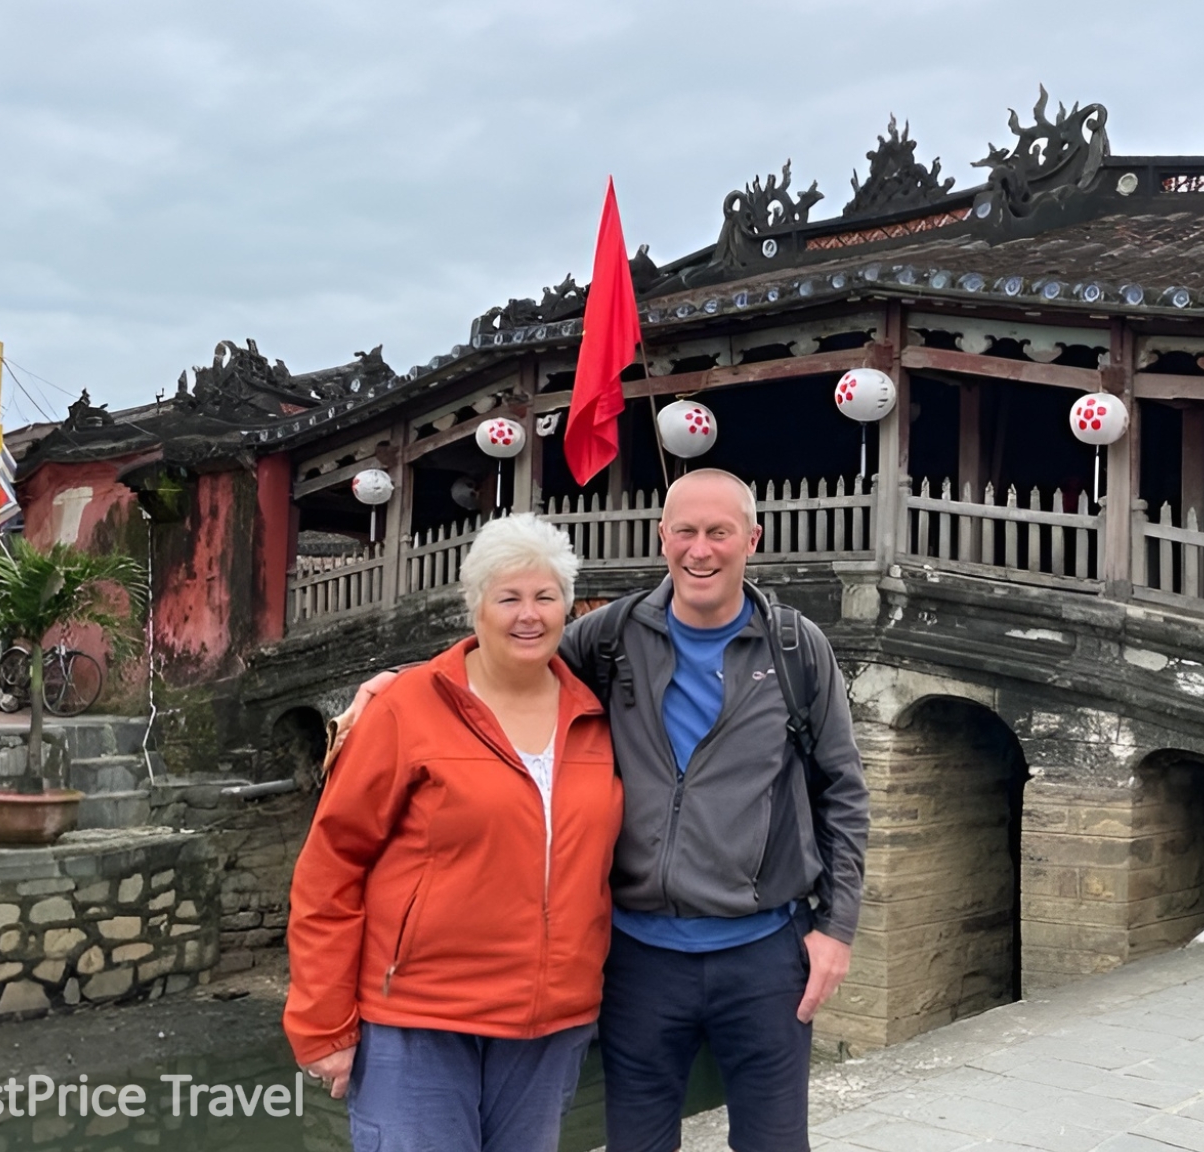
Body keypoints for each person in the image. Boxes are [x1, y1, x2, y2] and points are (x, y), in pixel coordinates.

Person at [333, 468, 870, 1152]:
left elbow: (843, 792)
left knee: (774, 1142)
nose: (699, 550)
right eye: (684, 531)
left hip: (764, 952)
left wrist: (837, 927)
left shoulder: (796, 650)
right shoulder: (613, 638)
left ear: (751, 540)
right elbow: (512, 651)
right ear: (662, 537)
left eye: (718, 532)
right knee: (637, 1142)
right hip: (639, 956)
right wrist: (407, 681)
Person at [285, 513, 624, 1152]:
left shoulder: (597, 717)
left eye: (546, 596)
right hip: (421, 1016)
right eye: (509, 598)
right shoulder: (404, 709)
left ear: (568, 607)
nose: (529, 614)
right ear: (475, 606)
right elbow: (332, 869)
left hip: (548, 1022)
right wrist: (324, 1024)